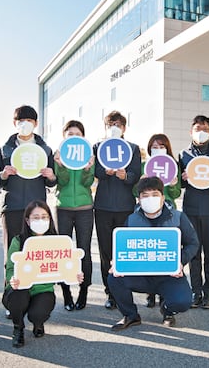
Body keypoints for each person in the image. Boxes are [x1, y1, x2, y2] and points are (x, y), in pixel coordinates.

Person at [108, 177, 199, 330]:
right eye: (145, 195)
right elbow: (123, 246)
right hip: (140, 274)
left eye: (155, 194)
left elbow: (193, 243)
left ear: (163, 197)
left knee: (183, 301)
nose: (150, 199)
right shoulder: (132, 220)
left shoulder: (178, 217)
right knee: (114, 278)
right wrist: (117, 262)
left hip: (168, 275)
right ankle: (130, 315)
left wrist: (180, 261)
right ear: (139, 200)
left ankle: (167, 310)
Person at [0, 105, 56, 317]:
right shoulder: (5, 149)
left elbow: (52, 182)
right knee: (12, 256)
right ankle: (12, 300)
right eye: (21, 121)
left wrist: (51, 176)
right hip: (12, 207)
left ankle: (37, 298)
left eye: (29, 120)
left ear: (36, 124)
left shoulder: (45, 150)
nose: (25, 124)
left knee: (36, 254)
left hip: (36, 209)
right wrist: (3, 175)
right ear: (14, 123)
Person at [93, 111, 142, 310]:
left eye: (118, 125)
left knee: (124, 250)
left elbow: (137, 173)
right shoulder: (98, 147)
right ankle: (110, 292)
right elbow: (95, 171)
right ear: (105, 128)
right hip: (103, 206)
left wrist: (126, 176)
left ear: (124, 128)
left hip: (125, 206)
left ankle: (124, 290)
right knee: (106, 251)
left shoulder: (133, 148)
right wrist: (105, 172)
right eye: (111, 124)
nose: (114, 128)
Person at [178, 115, 209, 309]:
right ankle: (195, 291)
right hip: (191, 209)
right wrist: (182, 178)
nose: (201, 132)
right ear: (191, 132)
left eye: (205, 129)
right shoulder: (183, 154)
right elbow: (178, 184)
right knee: (193, 252)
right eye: (198, 129)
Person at [3, 200, 65, 347]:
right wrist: (12, 280)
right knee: (18, 297)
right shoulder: (18, 241)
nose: (40, 221)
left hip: (43, 290)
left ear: (50, 219)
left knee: (38, 314)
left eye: (44, 217)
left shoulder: (56, 242)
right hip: (20, 288)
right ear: (27, 221)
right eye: (36, 217)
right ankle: (18, 328)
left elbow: (63, 268)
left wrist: (75, 276)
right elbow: (10, 267)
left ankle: (38, 323)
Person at [135, 134, 181, 308]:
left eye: (161, 146)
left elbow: (176, 194)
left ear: (167, 148)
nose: (158, 149)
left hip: (167, 212)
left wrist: (174, 184)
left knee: (165, 251)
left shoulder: (173, 165)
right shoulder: (144, 166)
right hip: (147, 213)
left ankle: (164, 294)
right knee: (149, 251)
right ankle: (150, 292)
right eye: (154, 146)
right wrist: (140, 182)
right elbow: (135, 192)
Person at [54, 120, 95, 311]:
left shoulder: (88, 155)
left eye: (78, 134)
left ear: (83, 137)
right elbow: (61, 182)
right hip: (63, 207)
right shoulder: (58, 155)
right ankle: (66, 292)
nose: (74, 137)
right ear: (64, 136)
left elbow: (87, 183)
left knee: (83, 250)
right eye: (70, 134)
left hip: (84, 208)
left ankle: (84, 290)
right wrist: (61, 166)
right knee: (63, 251)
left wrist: (87, 169)